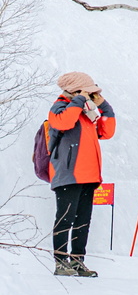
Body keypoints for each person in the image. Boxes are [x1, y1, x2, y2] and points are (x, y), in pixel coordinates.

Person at [46, 70, 116, 277]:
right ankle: (61, 262)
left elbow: (107, 131)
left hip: (89, 175)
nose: (91, 96)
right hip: (68, 174)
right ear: (75, 91)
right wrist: (78, 100)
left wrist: (103, 105)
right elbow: (63, 123)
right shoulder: (60, 107)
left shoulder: (86, 112)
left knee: (83, 221)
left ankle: (77, 261)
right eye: (88, 91)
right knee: (65, 219)